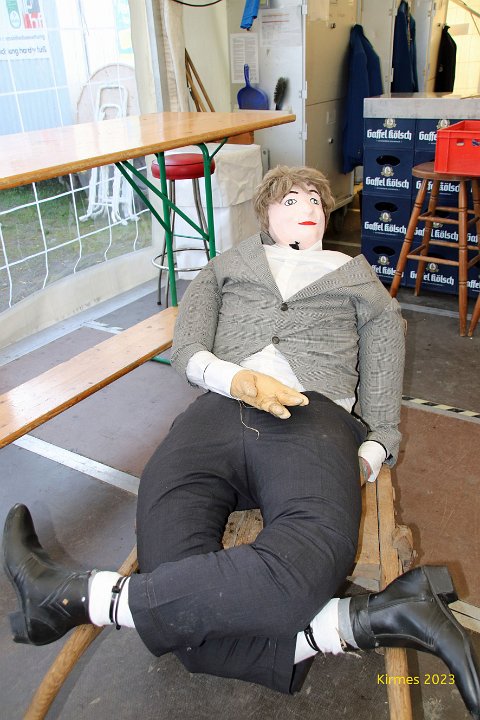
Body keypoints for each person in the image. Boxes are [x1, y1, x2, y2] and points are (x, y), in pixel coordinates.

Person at [3, 166, 479, 718]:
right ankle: (366, 620)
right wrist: (235, 380)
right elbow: (187, 349)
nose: (308, 208)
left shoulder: (359, 281)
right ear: (265, 213)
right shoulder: (226, 266)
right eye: (291, 200)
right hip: (215, 411)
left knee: (266, 573)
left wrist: (369, 456)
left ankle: (85, 597)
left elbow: (383, 375)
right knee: (180, 595)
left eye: (316, 201)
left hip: (312, 416)